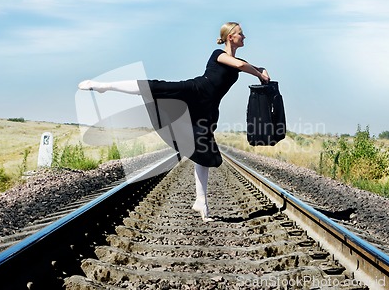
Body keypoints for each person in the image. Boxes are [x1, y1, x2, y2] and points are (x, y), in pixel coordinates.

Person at [78, 22, 270, 222]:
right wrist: (258, 74)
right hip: (194, 91)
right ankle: (104, 86)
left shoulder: (239, 60)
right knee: (156, 87)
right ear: (231, 37)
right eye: (241, 33)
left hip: (208, 108)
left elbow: (251, 66)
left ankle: (201, 202)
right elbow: (240, 66)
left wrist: (262, 70)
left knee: (203, 151)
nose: (244, 36)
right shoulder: (218, 55)